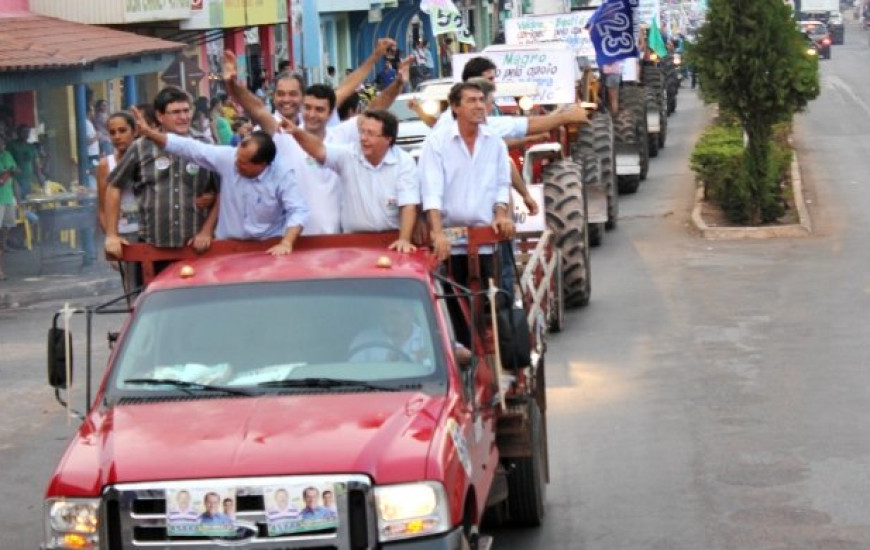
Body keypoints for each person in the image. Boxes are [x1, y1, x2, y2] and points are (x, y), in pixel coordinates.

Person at [224, 47, 410, 235]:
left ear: (331, 113)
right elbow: (257, 109)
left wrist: (398, 83)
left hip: (337, 239)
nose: (312, 114)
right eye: (308, 108)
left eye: (320, 110)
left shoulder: (340, 137)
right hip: (293, 239)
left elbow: (375, 109)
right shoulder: (284, 134)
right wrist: (233, 82)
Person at [130, 106, 307, 256]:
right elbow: (190, 148)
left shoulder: (282, 175)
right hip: (227, 249)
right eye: (237, 158)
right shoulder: (228, 158)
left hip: (269, 249)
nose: (236, 165)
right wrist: (150, 133)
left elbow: (298, 210)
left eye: (243, 163)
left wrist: (287, 243)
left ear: (263, 165)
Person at [104, 86, 220, 265]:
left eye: (186, 110)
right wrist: (112, 235)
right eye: (175, 112)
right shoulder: (142, 147)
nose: (183, 117)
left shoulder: (204, 145)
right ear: (160, 116)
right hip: (151, 247)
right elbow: (114, 186)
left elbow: (222, 191)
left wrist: (206, 231)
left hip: (196, 246)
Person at [280, 109, 418, 252]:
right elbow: (319, 149)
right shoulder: (348, 154)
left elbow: (408, 204)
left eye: (370, 133)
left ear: (388, 138)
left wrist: (404, 239)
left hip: (392, 240)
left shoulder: (404, 161)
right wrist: (296, 132)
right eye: (362, 132)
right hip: (353, 242)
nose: (363, 138)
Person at [96, 112, 142, 293]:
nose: (117, 136)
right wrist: (111, 238)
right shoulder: (105, 165)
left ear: (134, 131)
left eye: (122, 130)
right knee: (131, 289)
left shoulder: (146, 159)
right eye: (112, 132)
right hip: (124, 235)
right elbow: (102, 208)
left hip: (148, 232)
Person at [348, 302, 429, 364]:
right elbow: (353, 371)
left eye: (394, 313)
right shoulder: (364, 339)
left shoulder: (428, 339)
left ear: (411, 314)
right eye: (383, 313)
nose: (387, 318)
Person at [8, 124, 42, 200]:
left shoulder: (31, 147)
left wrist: (41, 180)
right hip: (15, 181)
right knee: (19, 204)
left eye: (28, 132)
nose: (26, 134)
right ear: (18, 133)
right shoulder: (11, 145)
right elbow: (6, 162)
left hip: (29, 181)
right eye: (24, 132)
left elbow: (36, 165)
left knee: (29, 203)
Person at [0, 136, 18, 281]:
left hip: (8, 198)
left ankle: (3, 247)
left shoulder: (7, 155)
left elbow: (15, 171)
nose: (1, 145)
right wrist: (8, 173)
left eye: (2, 142)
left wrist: (9, 172)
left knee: (7, 227)